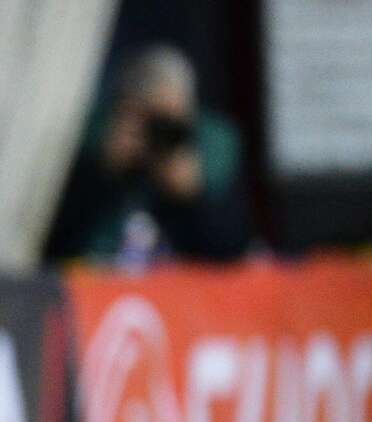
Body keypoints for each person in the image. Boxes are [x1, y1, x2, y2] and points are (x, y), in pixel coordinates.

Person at [43, 43, 249, 263]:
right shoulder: (85, 135)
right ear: (124, 109)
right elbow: (49, 240)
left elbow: (233, 251)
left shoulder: (213, 145)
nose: (159, 135)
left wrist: (191, 196)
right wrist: (102, 172)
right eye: (150, 122)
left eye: (170, 123)